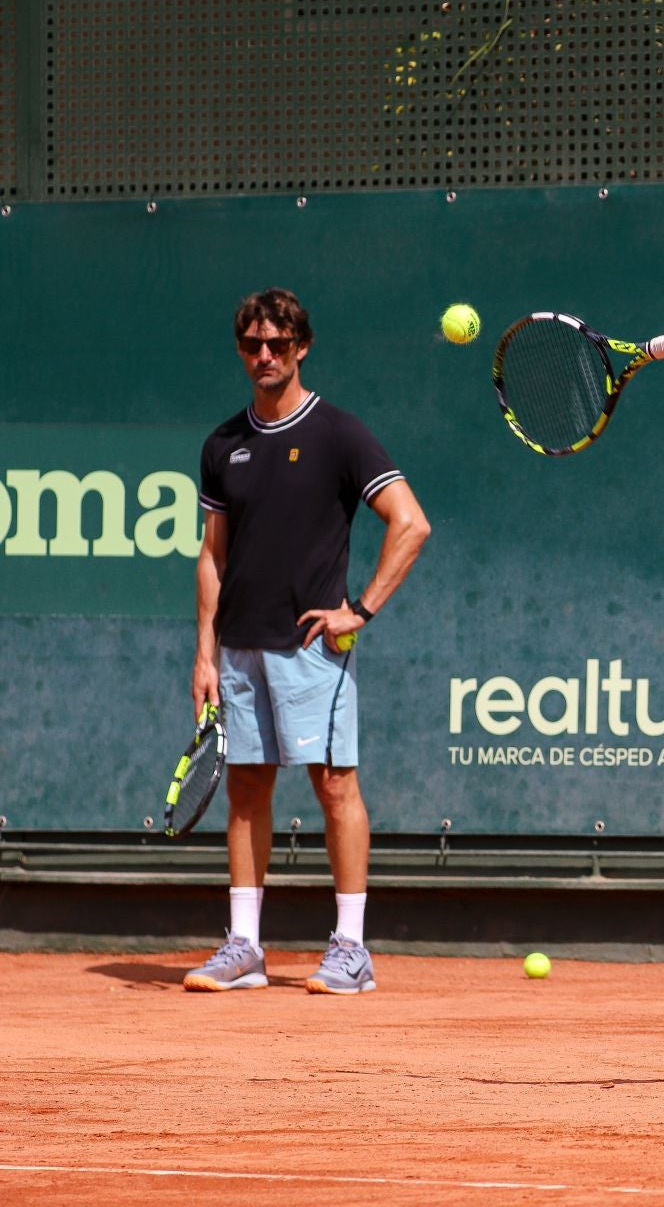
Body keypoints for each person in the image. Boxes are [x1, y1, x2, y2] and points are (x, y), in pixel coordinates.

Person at [184, 288, 431, 995]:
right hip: (238, 648)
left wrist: (361, 608)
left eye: (279, 345)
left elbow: (409, 523)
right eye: (254, 345)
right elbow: (212, 557)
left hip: (311, 649)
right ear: (242, 351)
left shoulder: (339, 435)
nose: (266, 356)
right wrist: (204, 652)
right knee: (246, 791)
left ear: (302, 348)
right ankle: (245, 949)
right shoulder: (222, 445)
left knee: (334, 785)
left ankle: (351, 950)